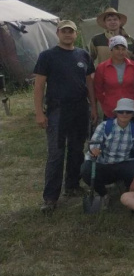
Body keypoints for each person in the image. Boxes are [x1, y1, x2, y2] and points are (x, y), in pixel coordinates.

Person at [33, 20, 97, 212]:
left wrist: (93, 107)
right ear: (58, 33)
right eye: (64, 31)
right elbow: (39, 86)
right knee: (56, 153)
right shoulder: (47, 56)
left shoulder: (83, 55)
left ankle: (72, 186)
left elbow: (89, 84)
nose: (68, 34)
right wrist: (39, 112)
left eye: (71, 31)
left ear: (76, 34)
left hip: (80, 108)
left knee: (77, 150)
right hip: (57, 110)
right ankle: (50, 198)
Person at [83, 99, 134, 206]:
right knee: (86, 170)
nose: (124, 114)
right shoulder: (104, 126)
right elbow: (93, 145)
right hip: (105, 165)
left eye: (128, 112)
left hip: (124, 164)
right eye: (121, 111)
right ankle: (104, 193)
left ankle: (128, 187)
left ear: (132, 114)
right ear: (116, 113)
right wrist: (94, 151)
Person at [93, 36, 134, 121]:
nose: (120, 52)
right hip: (112, 111)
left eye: (123, 49)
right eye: (117, 48)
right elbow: (98, 91)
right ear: (111, 50)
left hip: (131, 110)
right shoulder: (102, 68)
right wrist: (107, 103)